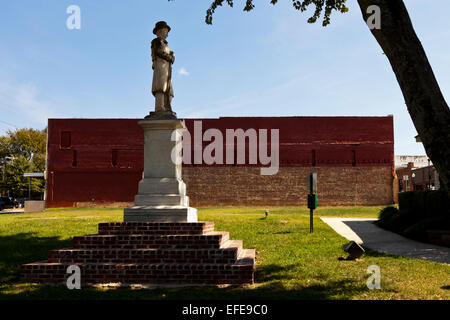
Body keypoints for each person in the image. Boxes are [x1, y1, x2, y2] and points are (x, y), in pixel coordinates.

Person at [151, 21, 175, 114]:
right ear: (160, 31)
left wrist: (171, 56)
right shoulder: (157, 41)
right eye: (166, 31)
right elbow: (159, 52)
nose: (167, 34)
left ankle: (166, 107)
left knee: (169, 91)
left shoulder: (165, 43)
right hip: (161, 68)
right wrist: (170, 57)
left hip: (166, 69)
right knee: (161, 87)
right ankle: (160, 108)